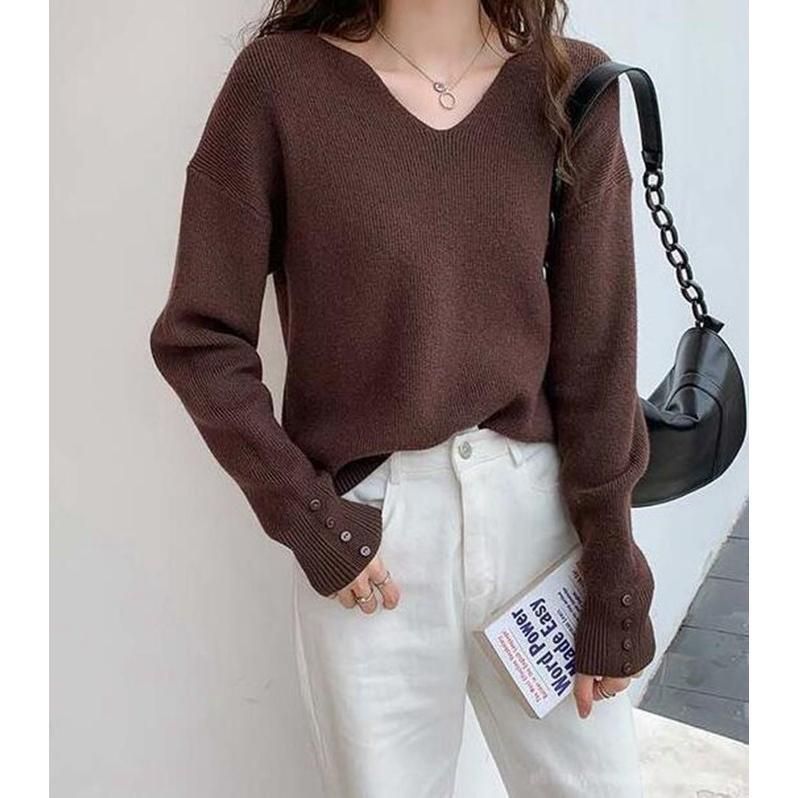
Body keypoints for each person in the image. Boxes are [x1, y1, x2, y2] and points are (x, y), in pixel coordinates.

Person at [150, 1, 656, 795]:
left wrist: (614, 562)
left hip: (540, 523)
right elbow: (199, 337)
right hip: (373, 544)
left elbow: (599, 354)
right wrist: (308, 516)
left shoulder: (570, 85)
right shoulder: (277, 86)